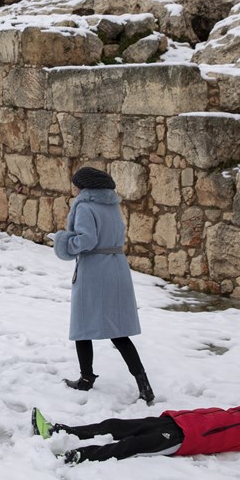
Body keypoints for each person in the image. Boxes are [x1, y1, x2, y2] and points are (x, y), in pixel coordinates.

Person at [50, 166, 154, 403]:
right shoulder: (112, 206)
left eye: (75, 183)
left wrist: (62, 240)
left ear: (84, 187)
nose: (73, 187)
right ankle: (144, 384)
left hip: (95, 270)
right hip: (117, 267)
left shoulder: (84, 206)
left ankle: (86, 379)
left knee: (82, 326)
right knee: (119, 332)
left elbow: (87, 240)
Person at [31, 397, 240, 463]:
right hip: (172, 421)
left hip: (180, 439)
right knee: (114, 425)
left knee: (132, 444)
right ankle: (60, 430)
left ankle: (79, 454)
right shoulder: (239, 411)